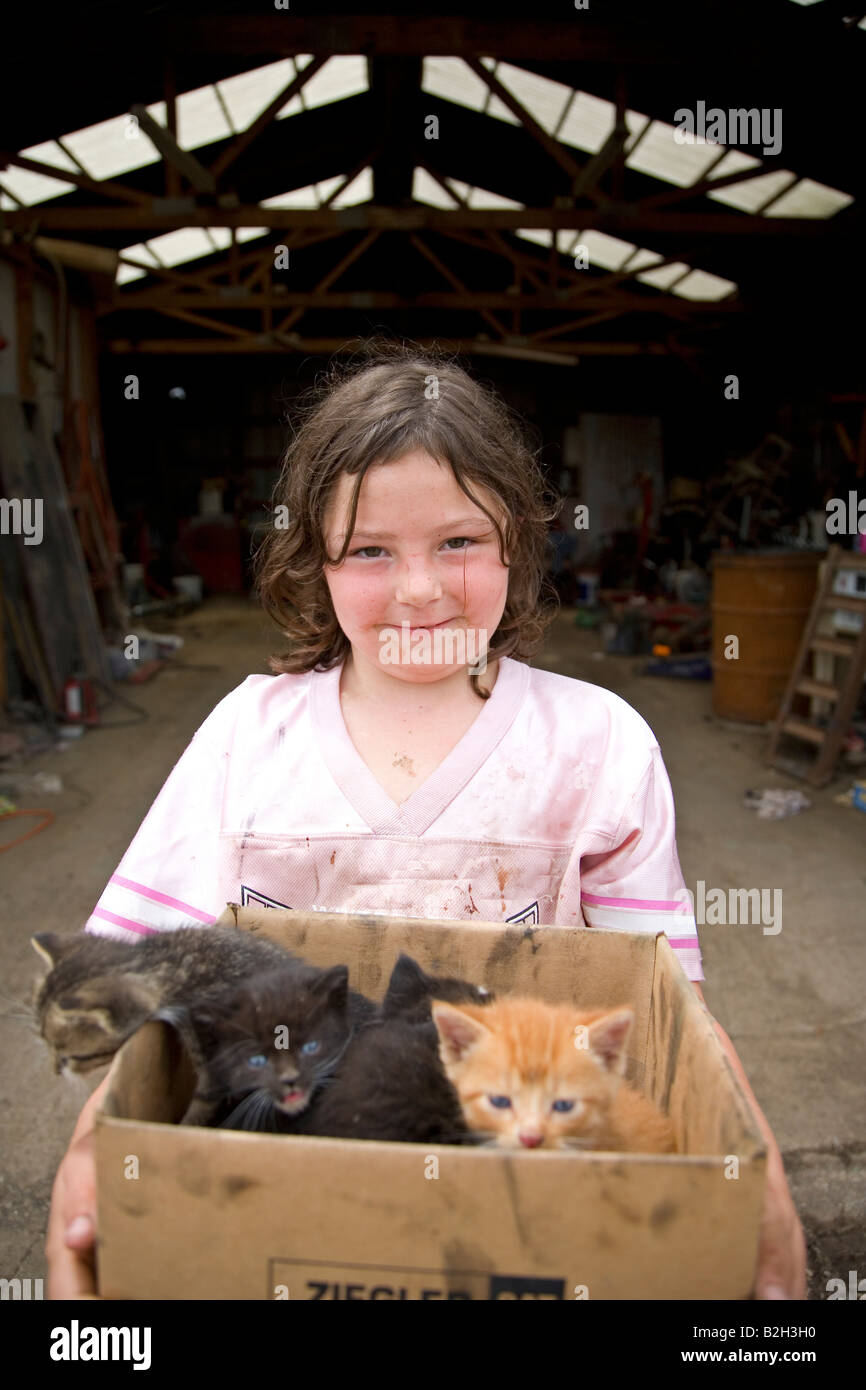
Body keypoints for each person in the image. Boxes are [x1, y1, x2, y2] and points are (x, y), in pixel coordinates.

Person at [46, 343, 806, 1299]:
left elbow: (671, 1015)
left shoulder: (597, 747)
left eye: (459, 542)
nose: (419, 590)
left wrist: (762, 1177)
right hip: (281, 1198)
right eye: (369, 550)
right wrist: (88, 1155)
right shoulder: (248, 736)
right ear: (311, 559)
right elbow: (132, 980)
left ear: (518, 545)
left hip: (526, 1200)